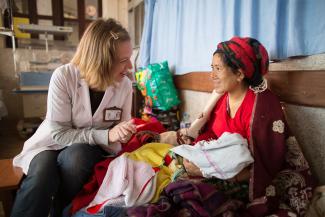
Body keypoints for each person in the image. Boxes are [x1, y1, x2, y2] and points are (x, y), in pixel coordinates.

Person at [127, 37, 315, 217]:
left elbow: (263, 166)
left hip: (245, 178)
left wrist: (205, 170)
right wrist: (195, 157)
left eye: (218, 69)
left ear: (239, 74)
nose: (212, 75)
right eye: (212, 68)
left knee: (186, 193)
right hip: (215, 166)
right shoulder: (222, 99)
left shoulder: (263, 107)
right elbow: (209, 134)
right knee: (155, 159)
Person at [11, 18, 137, 217]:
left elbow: (121, 128)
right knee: (42, 173)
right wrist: (106, 135)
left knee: (76, 158)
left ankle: (63, 210)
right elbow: (60, 134)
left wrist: (123, 133)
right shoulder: (64, 77)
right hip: (51, 143)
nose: (130, 66)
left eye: (130, 58)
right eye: (123, 60)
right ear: (100, 61)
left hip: (88, 150)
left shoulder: (125, 85)